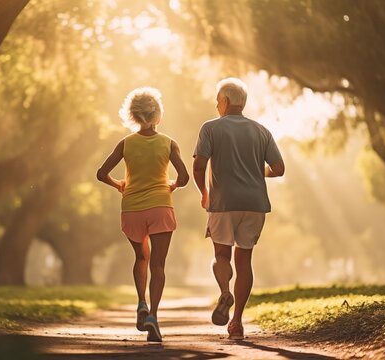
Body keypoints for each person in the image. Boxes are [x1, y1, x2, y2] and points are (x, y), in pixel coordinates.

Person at [193, 77, 284, 340]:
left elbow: (199, 166)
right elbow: (279, 169)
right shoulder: (261, 130)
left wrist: (204, 193)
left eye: (217, 101)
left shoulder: (210, 128)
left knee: (222, 256)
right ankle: (237, 323)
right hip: (255, 205)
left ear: (225, 101)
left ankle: (224, 291)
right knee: (245, 261)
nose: (216, 105)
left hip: (223, 204)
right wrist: (257, 172)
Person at [97, 87, 189, 342]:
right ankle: (153, 317)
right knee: (158, 265)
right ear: (158, 115)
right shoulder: (169, 143)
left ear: (134, 116)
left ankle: (141, 302)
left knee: (141, 259)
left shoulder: (125, 143)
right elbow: (184, 177)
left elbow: (101, 173)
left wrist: (119, 185)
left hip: (132, 208)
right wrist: (171, 185)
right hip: (160, 206)